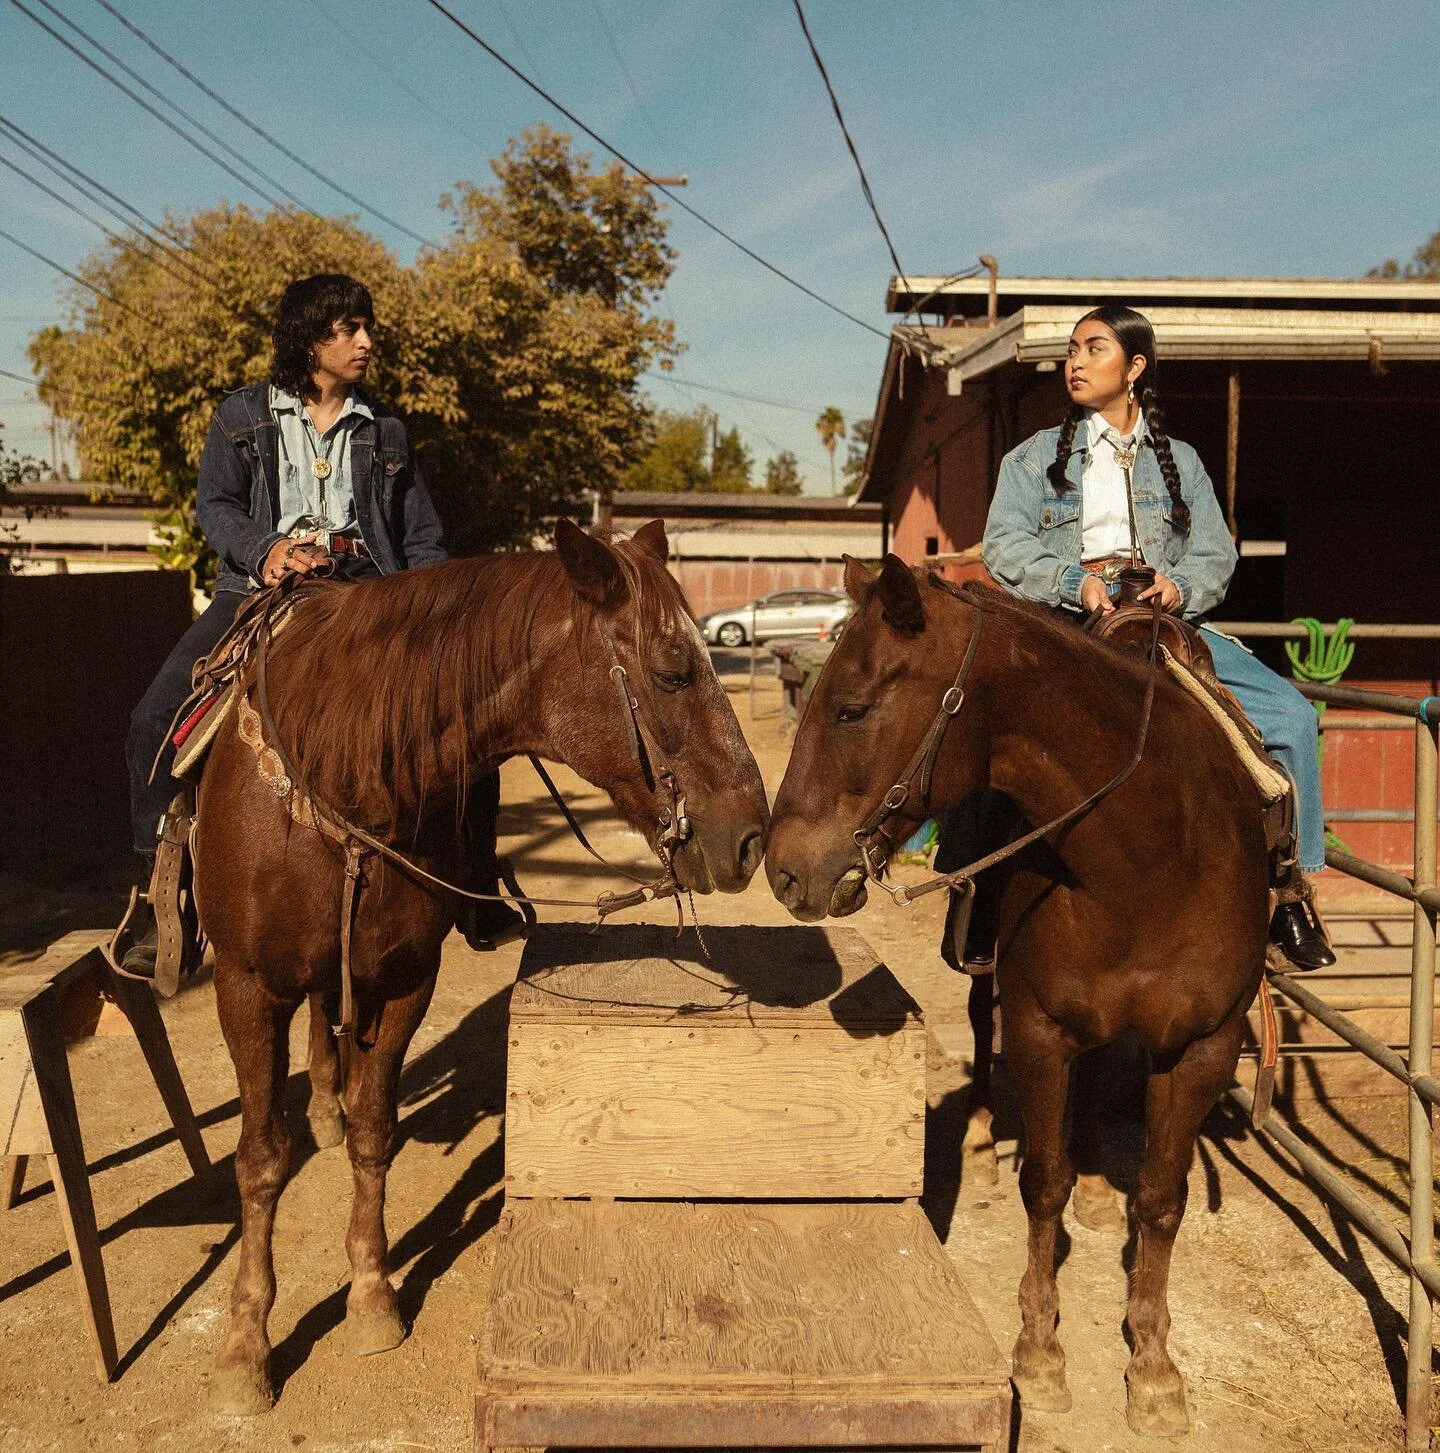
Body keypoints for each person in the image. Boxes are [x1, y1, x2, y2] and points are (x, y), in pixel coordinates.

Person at [123, 272, 520, 973]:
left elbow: (420, 536)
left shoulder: (387, 431)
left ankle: (477, 887)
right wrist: (268, 548)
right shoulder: (241, 417)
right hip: (259, 590)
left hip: (368, 590)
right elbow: (214, 508)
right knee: (154, 723)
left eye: (367, 327)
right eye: (349, 329)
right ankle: (162, 900)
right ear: (310, 338)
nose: (366, 341)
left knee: (468, 719)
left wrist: (431, 611)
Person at [977, 303, 1334, 970]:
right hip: (1069, 623)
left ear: (1135, 367)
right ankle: (978, 894)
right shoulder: (1030, 461)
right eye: (1072, 350)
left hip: (1165, 624)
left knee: (1292, 715)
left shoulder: (1182, 462)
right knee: (983, 725)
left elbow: (1216, 555)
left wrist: (1180, 587)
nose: (1075, 362)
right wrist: (1070, 582)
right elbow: (1003, 545)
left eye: (1094, 349)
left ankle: (1288, 892)